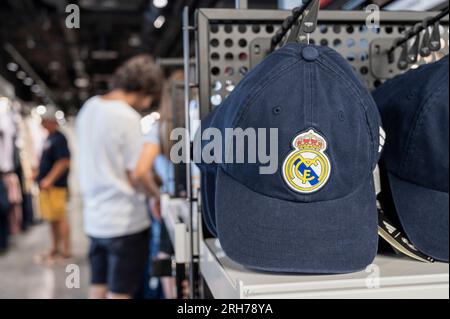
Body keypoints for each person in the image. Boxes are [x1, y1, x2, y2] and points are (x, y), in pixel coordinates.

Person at [76, 55, 163, 299]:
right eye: (149, 98)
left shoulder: (89, 107)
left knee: (98, 287)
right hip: (125, 222)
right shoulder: (127, 117)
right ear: (143, 90)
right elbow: (137, 173)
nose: (147, 104)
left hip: (94, 219)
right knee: (121, 293)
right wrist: (156, 195)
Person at [35, 108, 71, 263]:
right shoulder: (50, 137)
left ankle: (66, 251)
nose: (42, 124)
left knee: (60, 217)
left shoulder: (59, 138)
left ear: (51, 121)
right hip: (48, 186)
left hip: (56, 186)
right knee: (52, 218)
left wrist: (49, 178)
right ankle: (55, 248)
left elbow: (63, 161)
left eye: (44, 120)